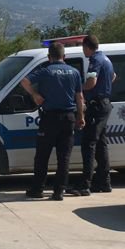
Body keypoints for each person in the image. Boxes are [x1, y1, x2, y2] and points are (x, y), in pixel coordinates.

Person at [20, 42, 85, 201]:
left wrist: (35, 95)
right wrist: (81, 116)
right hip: (68, 118)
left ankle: (38, 189)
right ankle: (59, 191)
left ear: (49, 57)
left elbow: (24, 81)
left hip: (49, 118)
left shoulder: (45, 71)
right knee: (64, 157)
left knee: (42, 155)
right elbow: (80, 97)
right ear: (65, 56)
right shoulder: (74, 72)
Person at [71, 34, 116, 195]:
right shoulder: (106, 59)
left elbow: (91, 82)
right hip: (105, 104)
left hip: (96, 106)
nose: (83, 51)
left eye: (83, 48)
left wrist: (79, 89)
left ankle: (85, 185)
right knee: (101, 144)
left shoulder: (95, 61)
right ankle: (104, 182)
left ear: (87, 47)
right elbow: (113, 76)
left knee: (88, 144)